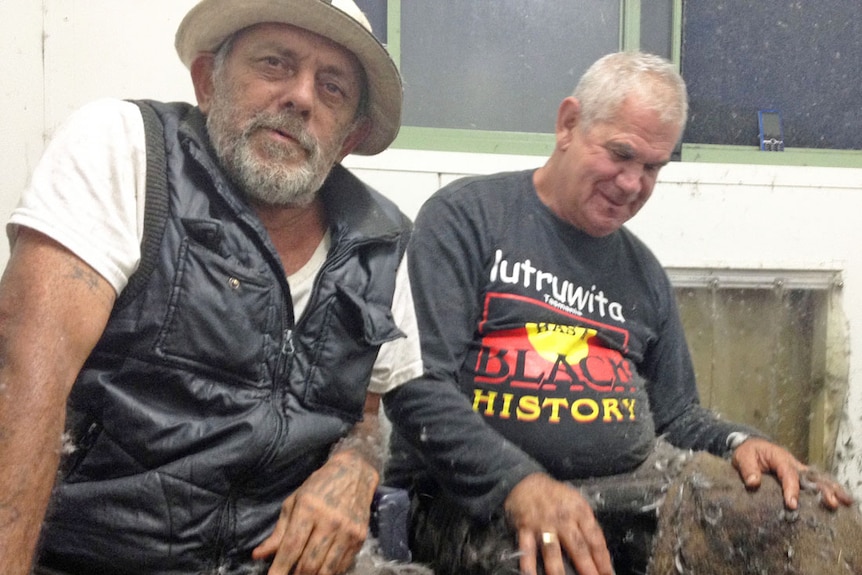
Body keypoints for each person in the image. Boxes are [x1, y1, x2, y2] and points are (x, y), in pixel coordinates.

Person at [382, 51, 856, 575]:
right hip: (470, 503)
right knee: (541, 560)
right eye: (621, 154)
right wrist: (518, 483)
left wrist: (742, 442)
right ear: (568, 125)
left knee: (803, 517)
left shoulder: (643, 272)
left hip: (622, 499)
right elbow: (417, 388)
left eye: (652, 167)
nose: (633, 184)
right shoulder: (466, 218)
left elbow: (678, 416)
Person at [0, 1, 426, 574]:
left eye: (332, 89)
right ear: (207, 81)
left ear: (348, 139)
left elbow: (366, 417)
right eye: (275, 64)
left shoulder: (383, 244)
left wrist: (358, 467)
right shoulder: (126, 151)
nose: (301, 97)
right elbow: (24, 386)